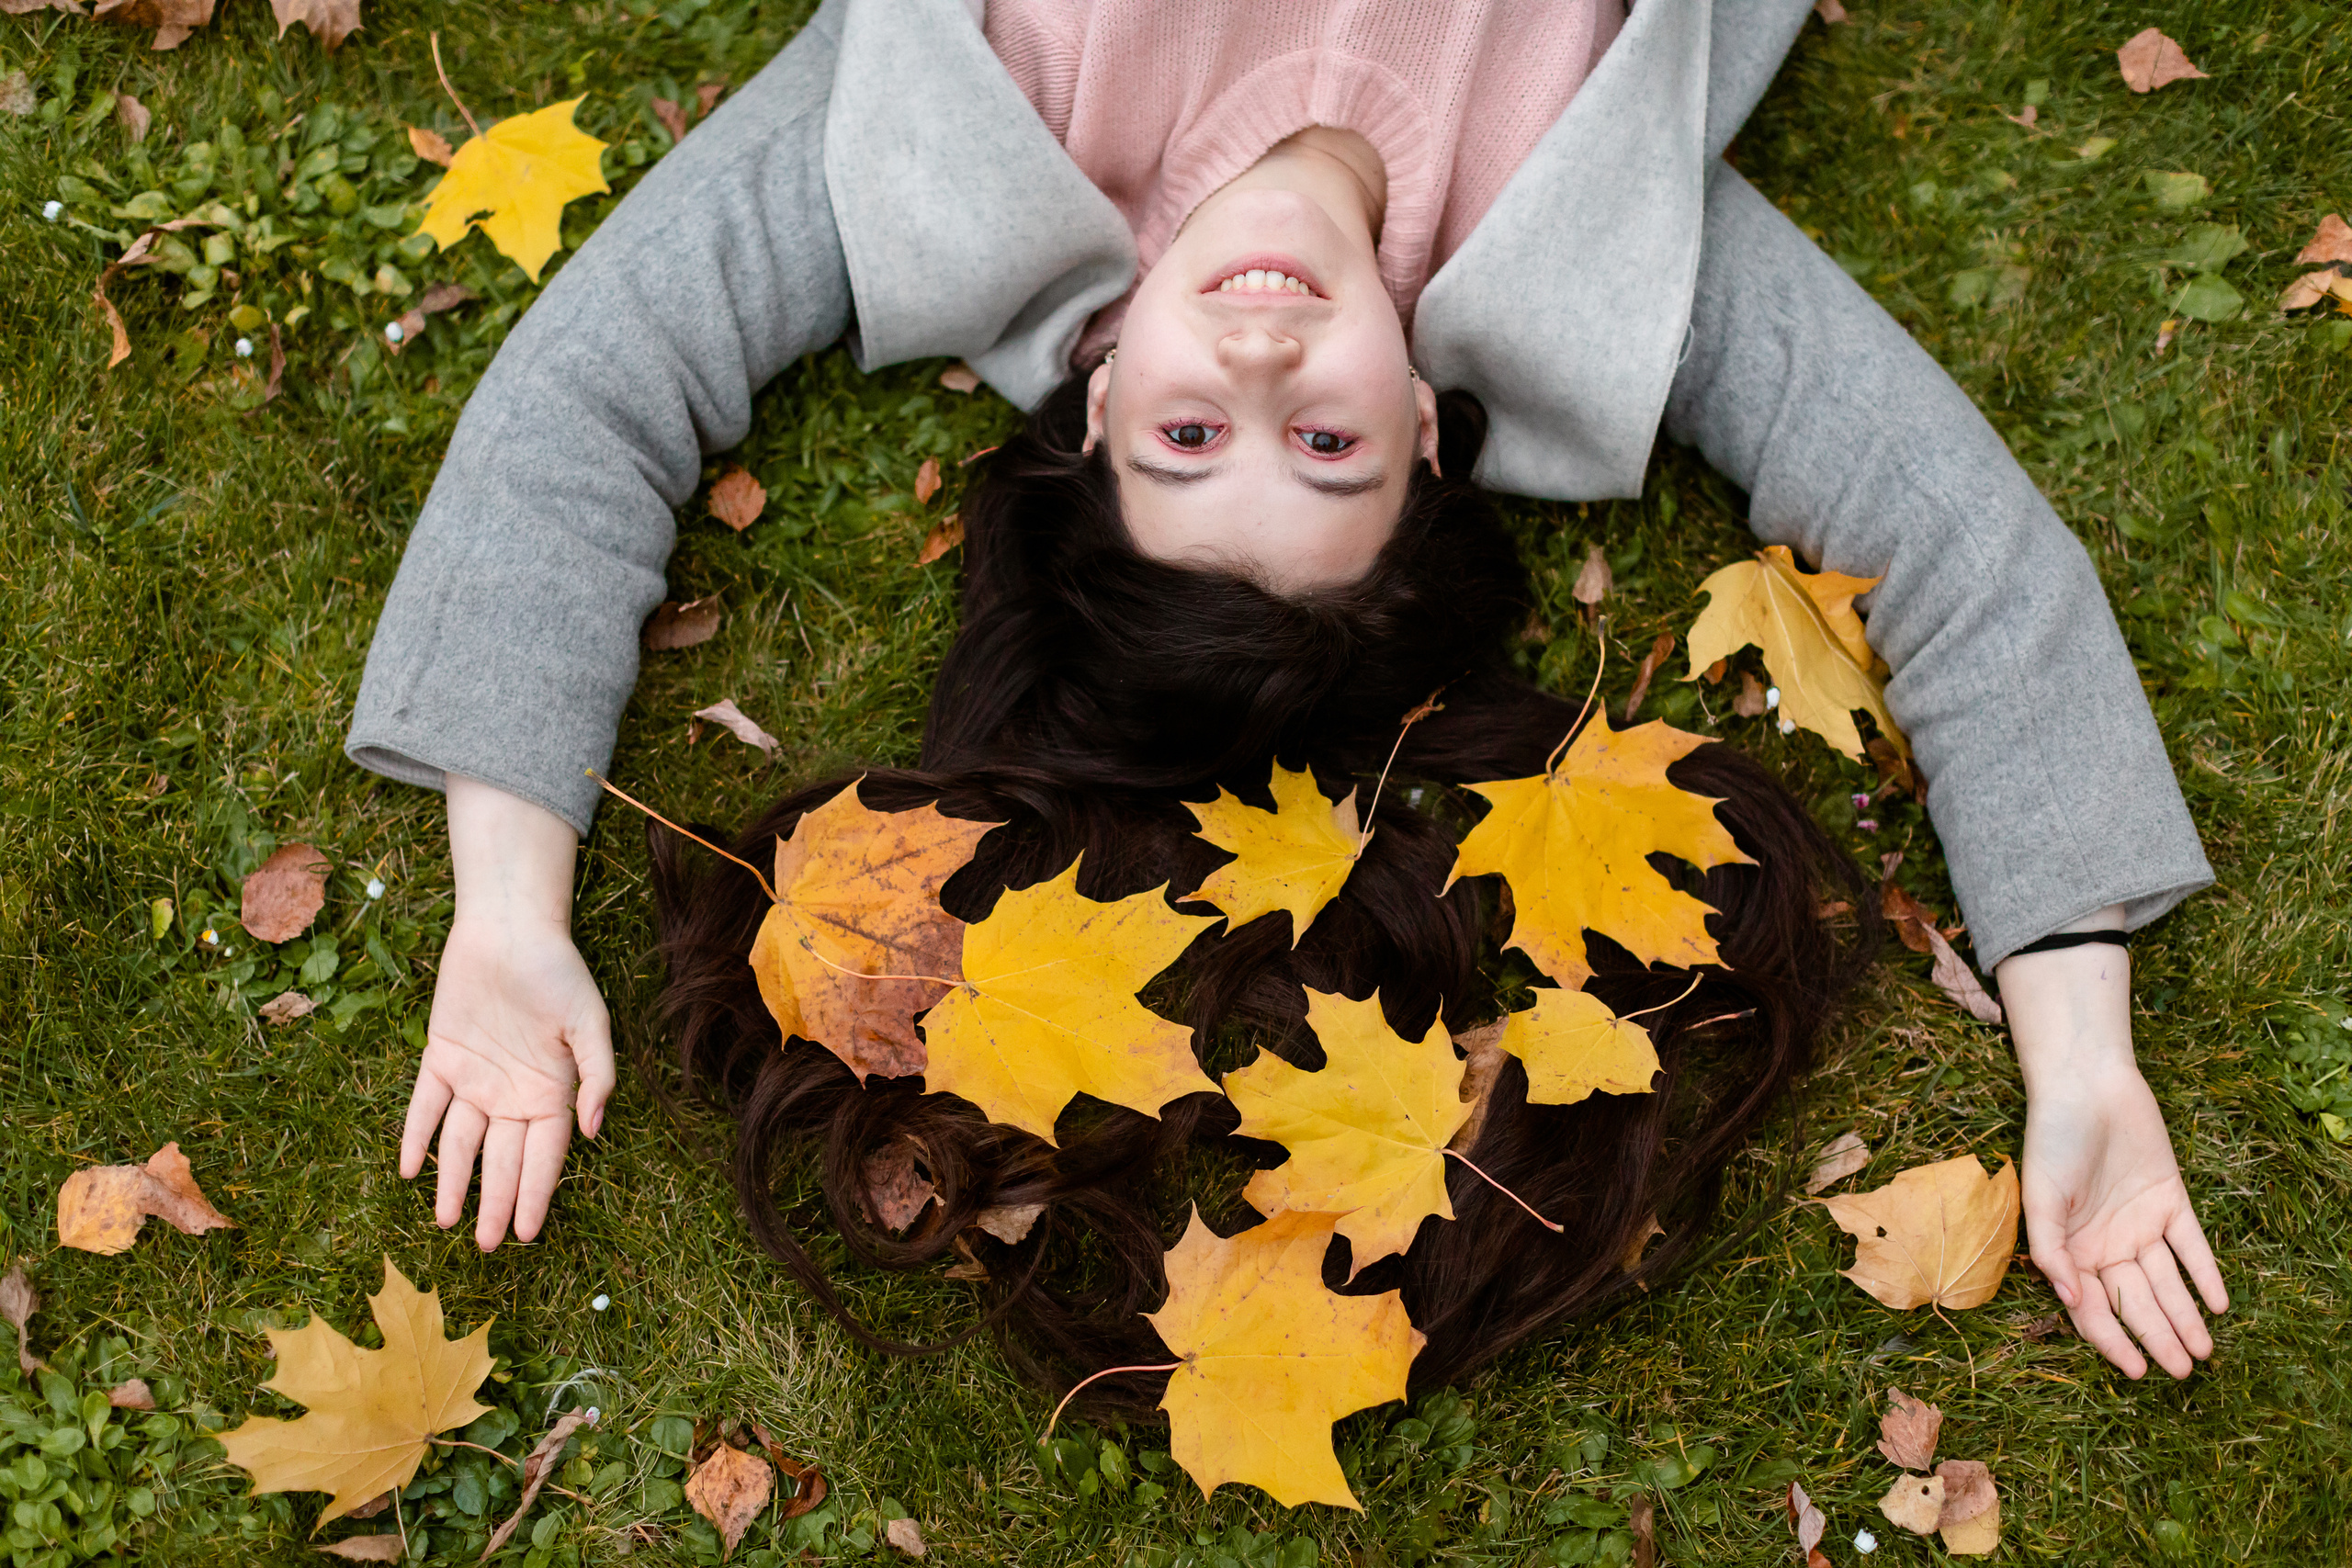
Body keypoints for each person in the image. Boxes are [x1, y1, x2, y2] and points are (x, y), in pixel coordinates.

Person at [349, 0, 2226, 1382]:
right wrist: (2078, 1054)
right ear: (1422, 428)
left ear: (1092, 405)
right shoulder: (1586, 211)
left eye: (1188, 432)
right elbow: (1957, 549)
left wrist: (505, 905)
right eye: (1320, 440)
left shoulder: (977, 99)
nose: (1257, 344)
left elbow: (587, 398)